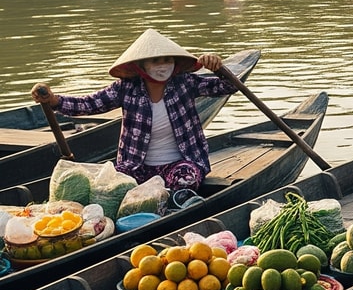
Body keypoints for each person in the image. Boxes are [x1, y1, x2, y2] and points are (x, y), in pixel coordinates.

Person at [31, 29, 238, 192]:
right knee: (112, 188)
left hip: (180, 163)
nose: (162, 65)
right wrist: (53, 100)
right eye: (155, 60)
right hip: (137, 167)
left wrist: (217, 67)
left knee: (185, 180)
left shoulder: (185, 83)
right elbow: (89, 104)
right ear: (141, 66)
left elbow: (229, 86)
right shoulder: (126, 88)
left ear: (175, 63)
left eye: (167, 60)